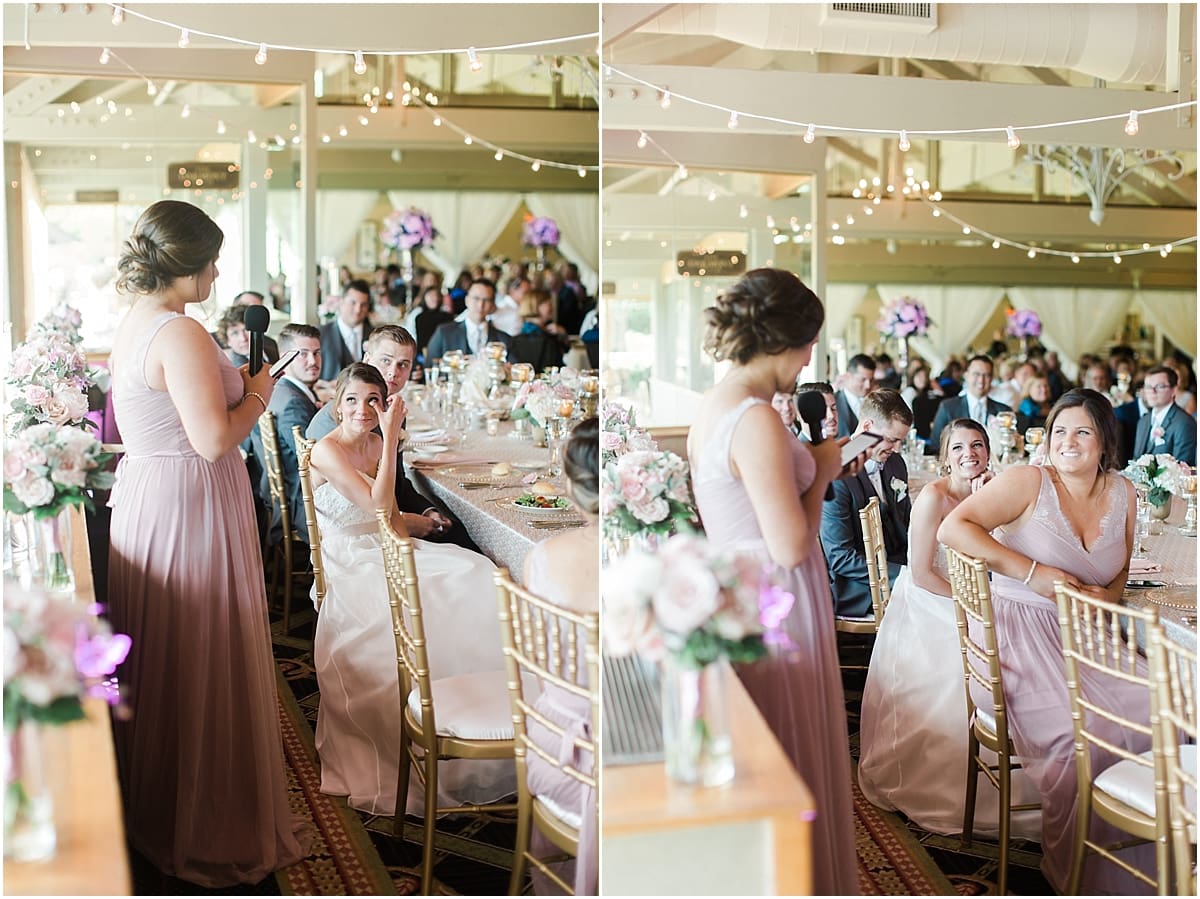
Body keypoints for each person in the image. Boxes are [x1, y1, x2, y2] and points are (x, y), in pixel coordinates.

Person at [106, 200, 304, 886]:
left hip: (154, 497)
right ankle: (199, 815)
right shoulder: (180, 333)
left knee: (174, 653)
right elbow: (215, 438)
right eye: (212, 259)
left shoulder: (136, 321)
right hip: (190, 500)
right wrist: (257, 391)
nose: (219, 271)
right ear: (185, 263)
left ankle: (162, 805)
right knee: (200, 653)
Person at [687, 267, 863, 895]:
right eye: (810, 341)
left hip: (743, 590)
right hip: (776, 599)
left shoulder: (717, 404)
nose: (811, 355)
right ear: (787, 339)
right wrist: (823, 470)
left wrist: (815, 468)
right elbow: (790, 543)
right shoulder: (755, 418)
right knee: (790, 753)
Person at [938, 389, 1150, 894]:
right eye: (1059, 431)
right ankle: (1081, 872)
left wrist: (1107, 596)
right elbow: (953, 528)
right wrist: (1032, 572)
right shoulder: (1027, 481)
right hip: (1022, 631)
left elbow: (1118, 569)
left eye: (1083, 432)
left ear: (1104, 442)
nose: (1068, 442)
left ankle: (1145, 860)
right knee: (1081, 737)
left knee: (1163, 710)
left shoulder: (1125, 493)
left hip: (1087, 634)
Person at [309, 363, 512, 817]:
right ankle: (405, 742)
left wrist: (417, 535)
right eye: (352, 400)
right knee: (419, 605)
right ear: (337, 403)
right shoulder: (327, 450)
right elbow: (380, 504)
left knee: (474, 573)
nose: (362, 410)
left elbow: (391, 516)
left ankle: (472, 723)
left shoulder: (377, 442)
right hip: (350, 558)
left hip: (385, 545)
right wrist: (394, 432)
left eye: (373, 402)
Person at [857, 419, 1042, 839]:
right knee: (983, 647)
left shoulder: (991, 491)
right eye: (958, 448)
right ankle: (956, 781)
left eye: (977, 446)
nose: (969, 455)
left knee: (1020, 641)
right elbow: (921, 572)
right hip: (931, 596)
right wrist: (974, 605)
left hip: (974, 592)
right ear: (945, 457)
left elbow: (1000, 554)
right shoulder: (931, 499)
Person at [520, 417, 599, 896]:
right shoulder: (643, 561)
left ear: (568, 485)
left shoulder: (539, 557)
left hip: (551, 747)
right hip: (610, 758)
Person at [308, 325, 476, 550]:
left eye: (403, 365)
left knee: (462, 531)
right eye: (386, 361)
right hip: (349, 536)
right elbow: (342, 510)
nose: (393, 372)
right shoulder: (336, 423)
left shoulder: (390, 412)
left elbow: (397, 481)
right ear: (367, 358)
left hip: (386, 518)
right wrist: (407, 522)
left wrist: (428, 510)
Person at [820, 388, 914, 618]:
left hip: (900, 564)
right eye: (891, 440)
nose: (896, 448)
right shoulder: (836, 470)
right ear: (867, 427)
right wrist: (902, 576)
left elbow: (907, 522)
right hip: (858, 585)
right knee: (931, 602)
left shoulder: (895, 463)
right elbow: (840, 557)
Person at [251, 323, 323, 546]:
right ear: (286, 358)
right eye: (303, 354)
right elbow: (316, 460)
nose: (313, 361)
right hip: (300, 502)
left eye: (317, 353)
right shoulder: (293, 403)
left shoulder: (281, 389)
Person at [930, 354, 1011, 446]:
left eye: (986, 375)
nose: (981, 380)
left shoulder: (1003, 411)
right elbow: (936, 444)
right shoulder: (948, 407)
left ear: (991, 379)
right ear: (966, 375)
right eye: (976, 374)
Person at [426, 278, 512, 360]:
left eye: (486, 300)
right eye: (476, 298)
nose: (480, 305)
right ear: (467, 300)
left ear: (493, 305)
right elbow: (430, 367)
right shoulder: (444, 333)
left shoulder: (504, 340)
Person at [1134, 365, 1197, 466]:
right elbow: (1136, 460)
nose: (1152, 392)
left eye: (1160, 386)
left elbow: (1183, 469)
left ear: (1174, 390)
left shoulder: (1184, 423)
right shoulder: (1143, 421)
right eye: (1148, 387)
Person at [319, 279, 373, 381]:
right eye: (353, 303)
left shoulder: (375, 335)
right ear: (341, 302)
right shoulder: (322, 334)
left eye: (363, 305)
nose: (358, 310)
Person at [835, 353, 875, 437]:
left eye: (870, 380)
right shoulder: (833, 403)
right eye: (862, 380)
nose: (868, 385)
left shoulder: (874, 403)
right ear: (848, 376)